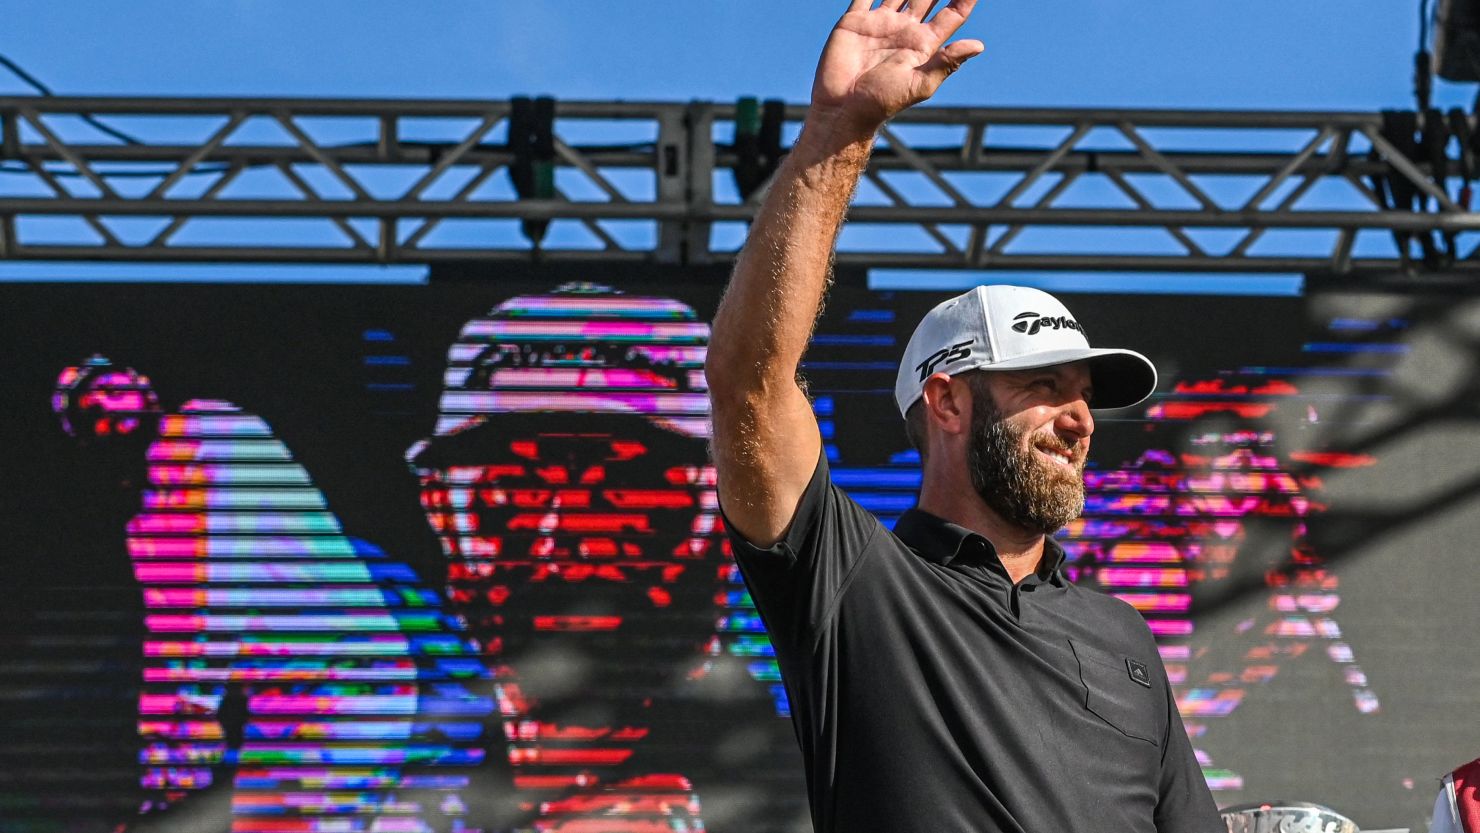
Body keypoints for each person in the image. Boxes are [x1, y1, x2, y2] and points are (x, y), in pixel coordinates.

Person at [704, 2, 1224, 831]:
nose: (1080, 418)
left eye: (1086, 394)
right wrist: (841, 132)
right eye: (1043, 386)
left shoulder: (1121, 633)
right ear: (946, 398)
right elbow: (751, 386)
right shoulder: (854, 582)